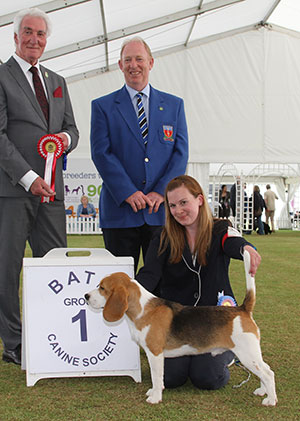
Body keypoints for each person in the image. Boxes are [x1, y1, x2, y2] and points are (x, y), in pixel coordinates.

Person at [0, 8, 79, 365]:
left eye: (41, 34)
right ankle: (14, 343)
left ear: (47, 39)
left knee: (56, 266)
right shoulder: (2, 77)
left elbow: (73, 131)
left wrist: (63, 138)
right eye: (28, 33)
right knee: (7, 267)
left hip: (52, 195)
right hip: (13, 191)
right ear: (15, 37)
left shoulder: (57, 80)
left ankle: (54, 332)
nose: (35, 39)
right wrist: (30, 178)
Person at [136, 175, 261, 391]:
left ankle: (228, 353)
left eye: (184, 202)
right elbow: (149, 275)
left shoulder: (221, 228)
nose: (178, 210)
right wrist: (126, 288)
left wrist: (246, 249)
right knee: (171, 379)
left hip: (216, 322)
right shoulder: (163, 237)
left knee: (207, 378)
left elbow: (234, 242)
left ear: (200, 200)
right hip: (177, 324)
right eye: (172, 205)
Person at [90, 36, 188, 273]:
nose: (134, 65)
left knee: (165, 286)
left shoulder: (174, 105)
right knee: (120, 289)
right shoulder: (102, 106)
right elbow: (101, 153)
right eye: (127, 60)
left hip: (161, 213)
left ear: (151, 62)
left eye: (139, 59)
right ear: (120, 65)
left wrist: (161, 192)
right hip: (120, 213)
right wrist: (128, 192)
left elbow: (180, 153)